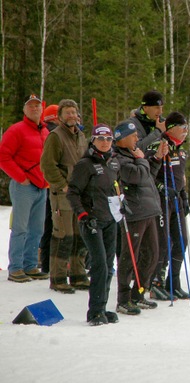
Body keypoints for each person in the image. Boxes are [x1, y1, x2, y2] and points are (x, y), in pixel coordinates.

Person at [67, 124, 121, 326]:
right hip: (91, 221)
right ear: (93, 141)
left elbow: (116, 187)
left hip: (110, 220)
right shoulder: (86, 164)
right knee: (98, 264)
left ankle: (103, 307)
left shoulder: (114, 163)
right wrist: (82, 214)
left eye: (108, 139)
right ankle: (95, 311)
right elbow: (72, 192)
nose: (105, 142)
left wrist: (121, 204)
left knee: (108, 265)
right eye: (101, 139)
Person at [112, 120, 168, 315]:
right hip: (134, 213)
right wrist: (143, 158)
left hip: (149, 209)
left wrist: (157, 159)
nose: (137, 138)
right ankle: (123, 299)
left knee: (153, 253)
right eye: (133, 135)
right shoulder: (118, 157)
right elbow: (136, 176)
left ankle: (139, 293)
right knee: (130, 257)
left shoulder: (134, 155)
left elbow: (147, 176)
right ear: (123, 138)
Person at [40, 99, 90, 294]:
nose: (71, 116)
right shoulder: (55, 136)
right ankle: (58, 277)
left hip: (80, 194)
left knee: (79, 235)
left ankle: (78, 274)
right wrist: (62, 185)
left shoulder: (81, 136)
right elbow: (47, 165)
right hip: (62, 194)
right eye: (67, 113)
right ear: (60, 116)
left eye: (74, 112)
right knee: (63, 235)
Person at [0, 94, 49, 282]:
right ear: (25, 110)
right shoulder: (16, 130)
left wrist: (48, 180)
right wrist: (21, 178)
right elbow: (3, 157)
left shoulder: (44, 131)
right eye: (31, 106)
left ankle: (30, 265)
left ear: (42, 109)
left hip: (41, 186)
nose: (35, 109)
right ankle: (16, 267)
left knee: (37, 228)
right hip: (24, 187)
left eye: (37, 106)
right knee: (20, 227)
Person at [145, 111, 190, 300]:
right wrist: (162, 188)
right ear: (171, 129)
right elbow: (147, 173)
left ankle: (173, 281)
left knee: (181, 241)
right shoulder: (159, 145)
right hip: (161, 200)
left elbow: (181, 177)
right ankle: (155, 282)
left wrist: (183, 195)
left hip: (176, 200)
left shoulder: (181, 149)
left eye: (187, 128)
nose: (186, 132)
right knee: (162, 243)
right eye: (183, 128)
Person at [38, 104, 60, 274]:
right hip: (52, 186)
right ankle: (47, 263)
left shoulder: (44, 132)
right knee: (52, 225)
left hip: (45, 184)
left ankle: (45, 262)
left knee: (47, 225)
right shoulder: (53, 134)